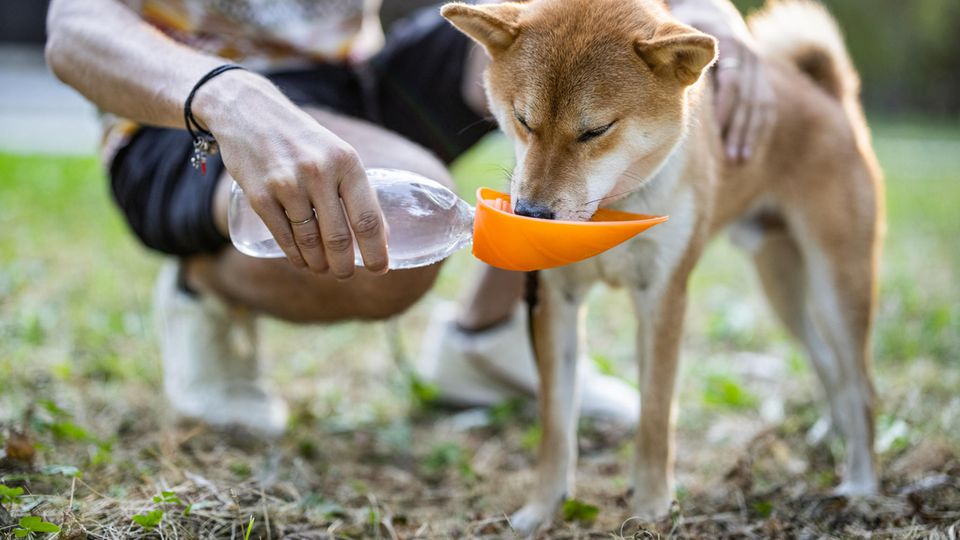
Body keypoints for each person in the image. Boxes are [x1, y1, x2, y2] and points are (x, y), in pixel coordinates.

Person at [45, 0, 775, 437]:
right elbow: (71, 27)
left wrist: (697, 10)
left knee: (543, 57)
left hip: (352, 75)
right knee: (392, 246)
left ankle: (488, 336)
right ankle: (206, 282)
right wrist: (227, 97)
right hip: (176, 114)